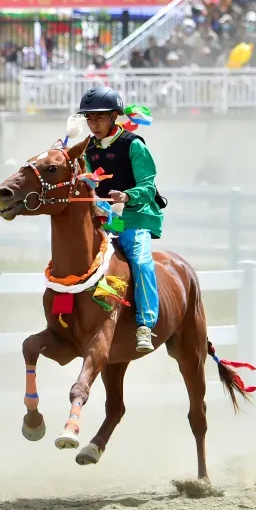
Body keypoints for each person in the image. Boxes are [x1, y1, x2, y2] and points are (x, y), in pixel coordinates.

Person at [77, 85, 164, 354]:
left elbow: (148, 186)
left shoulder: (134, 145)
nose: (93, 124)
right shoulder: (87, 149)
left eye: (99, 117)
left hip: (135, 218)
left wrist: (126, 196)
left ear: (115, 116)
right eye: (89, 118)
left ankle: (145, 325)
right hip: (107, 220)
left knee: (140, 260)